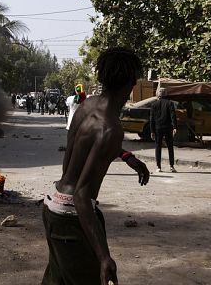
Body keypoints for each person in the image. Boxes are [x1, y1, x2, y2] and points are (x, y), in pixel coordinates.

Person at [42, 47, 149, 285]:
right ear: (132, 81)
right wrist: (104, 257)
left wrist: (126, 155)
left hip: (53, 205)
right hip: (72, 216)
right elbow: (81, 196)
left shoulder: (87, 106)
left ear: (101, 77)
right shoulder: (111, 129)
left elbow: (85, 143)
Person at [150, 88, 177, 173]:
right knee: (170, 147)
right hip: (168, 128)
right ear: (166, 95)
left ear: (158, 95)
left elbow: (151, 119)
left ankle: (158, 166)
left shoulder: (154, 105)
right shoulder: (170, 103)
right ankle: (171, 166)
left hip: (158, 128)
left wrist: (152, 131)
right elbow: (173, 116)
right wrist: (175, 127)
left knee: (158, 147)